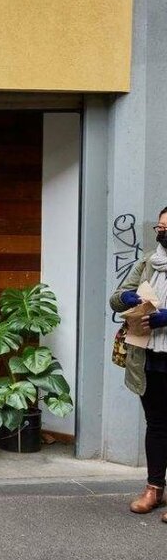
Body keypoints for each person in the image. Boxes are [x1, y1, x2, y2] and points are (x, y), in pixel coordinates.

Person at [110, 205, 167, 519]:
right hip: (148, 357)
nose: (162, 232)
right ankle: (154, 489)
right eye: (160, 227)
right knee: (156, 424)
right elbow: (117, 297)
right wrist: (129, 299)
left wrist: (165, 319)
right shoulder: (147, 261)